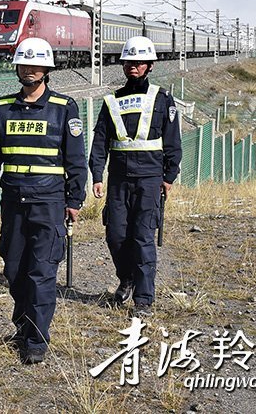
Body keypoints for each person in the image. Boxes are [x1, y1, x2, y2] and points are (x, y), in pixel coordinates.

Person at [0, 37, 87, 364]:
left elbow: (75, 159)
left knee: (41, 271)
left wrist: (74, 199)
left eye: (35, 65)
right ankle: (23, 327)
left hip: (49, 202)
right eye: (24, 64)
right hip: (13, 201)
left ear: (46, 70)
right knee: (14, 268)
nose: (29, 70)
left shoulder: (64, 109)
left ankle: (36, 341)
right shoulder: (4, 108)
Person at [88, 35, 182, 318]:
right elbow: (100, 141)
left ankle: (144, 299)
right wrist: (96, 175)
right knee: (115, 235)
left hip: (150, 180)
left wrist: (169, 175)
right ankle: (126, 278)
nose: (134, 66)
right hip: (118, 180)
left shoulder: (163, 99)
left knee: (142, 238)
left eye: (140, 62)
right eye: (129, 61)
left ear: (150, 66)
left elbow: (173, 141)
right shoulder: (111, 101)